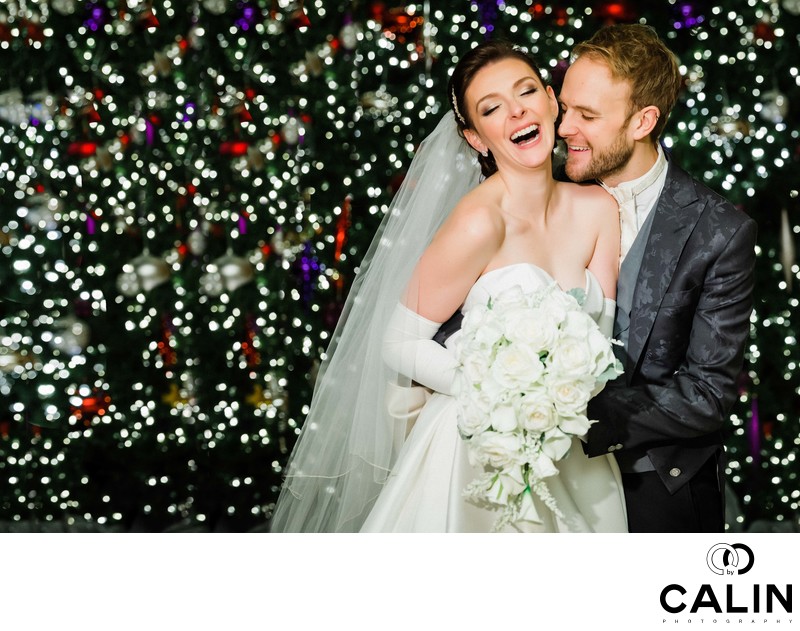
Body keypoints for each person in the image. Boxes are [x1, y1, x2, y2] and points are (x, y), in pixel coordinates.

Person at [269, 40, 627, 533]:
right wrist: (499, 396)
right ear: (477, 138)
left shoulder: (598, 209)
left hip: (572, 444)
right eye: (492, 108)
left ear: (550, 100)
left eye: (526, 92)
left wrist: (557, 399)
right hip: (478, 448)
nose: (517, 110)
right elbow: (397, 341)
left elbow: (602, 341)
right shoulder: (478, 223)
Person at [557, 24, 757, 533]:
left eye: (587, 115)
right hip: (544, 484)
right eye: (564, 108)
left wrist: (568, 416)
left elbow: (708, 392)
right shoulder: (537, 197)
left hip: (660, 487)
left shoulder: (719, 231)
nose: (563, 128)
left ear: (643, 121)